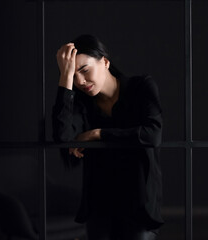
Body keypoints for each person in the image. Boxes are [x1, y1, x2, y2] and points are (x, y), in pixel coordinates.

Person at [52, 34, 164, 240]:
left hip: (137, 202)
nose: (80, 81)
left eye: (84, 70)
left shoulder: (141, 88)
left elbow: (152, 135)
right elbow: (62, 137)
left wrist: (98, 133)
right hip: (99, 203)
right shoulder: (81, 103)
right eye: (72, 75)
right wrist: (64, 79)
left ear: (104, 61)